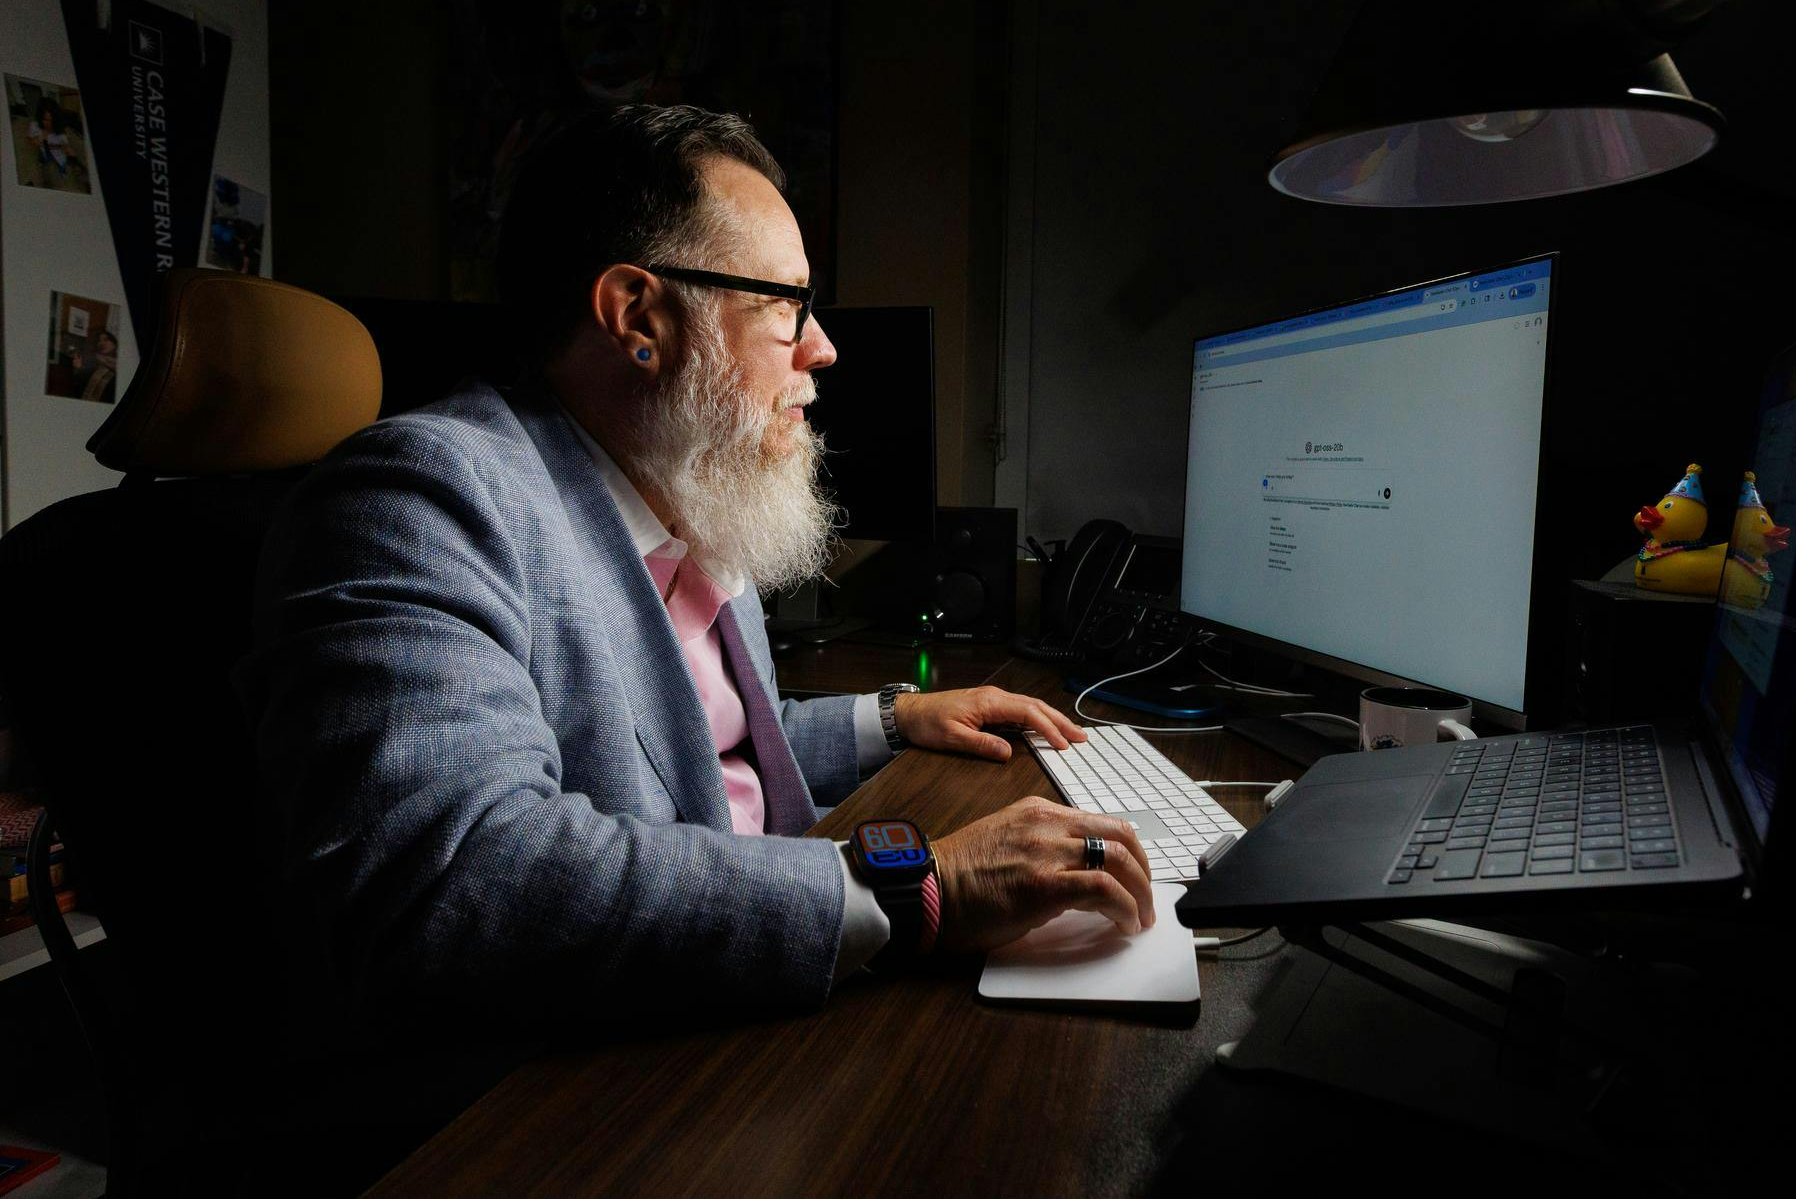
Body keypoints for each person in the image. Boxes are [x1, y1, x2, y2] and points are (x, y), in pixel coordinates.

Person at [237, 104, 1154, 1029]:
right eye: (784, 303)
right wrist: (923, 889)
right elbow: (456, 873)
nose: (822, 345)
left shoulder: (686, 490)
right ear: (640, 316)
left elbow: (699, 755)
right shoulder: (422, 497)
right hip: (580, 1077)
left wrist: (895, 716)